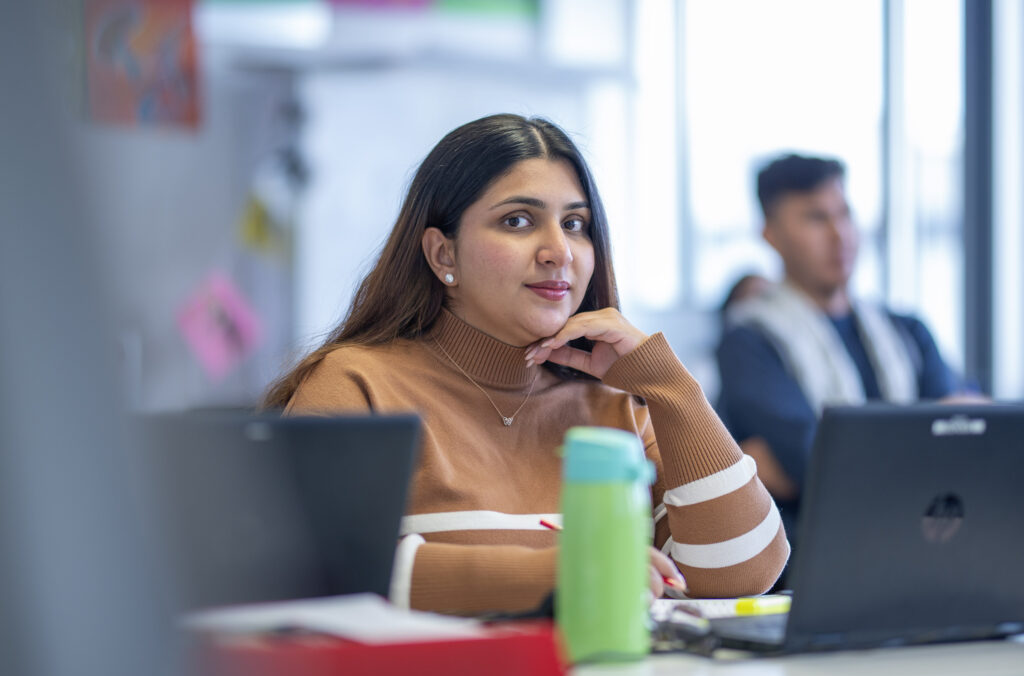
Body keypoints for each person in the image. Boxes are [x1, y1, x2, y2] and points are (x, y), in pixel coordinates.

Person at [264, 114, 789, 616]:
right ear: (443, 255)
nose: (558, 251)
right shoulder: (355, 383)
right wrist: (551, 577)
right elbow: (315, 574)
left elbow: (740, 575)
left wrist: (671, 387)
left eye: (576, 223)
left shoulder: (614, 402)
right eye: (518, 221)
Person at [716, 153, 965, 543]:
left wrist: (817, 464)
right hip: (823, 555)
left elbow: (968, 437)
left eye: (845, 214)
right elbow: (817, 460)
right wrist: (926, 447)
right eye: (816, 218)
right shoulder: (750, 342)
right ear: (770, 234)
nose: (839, 234)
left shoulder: (906, 330)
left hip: (932, 543)